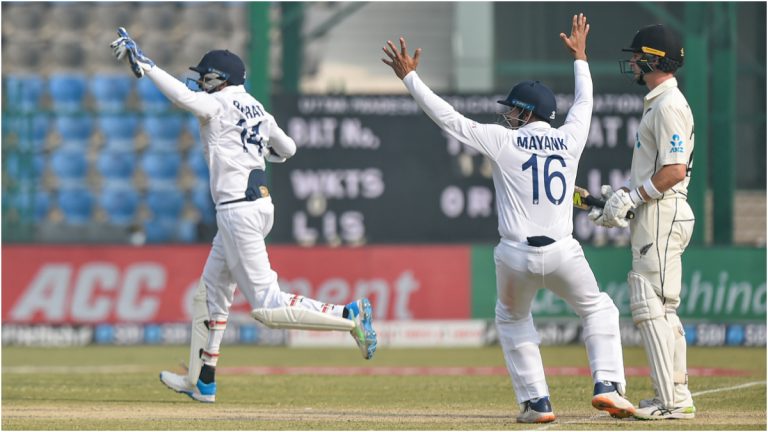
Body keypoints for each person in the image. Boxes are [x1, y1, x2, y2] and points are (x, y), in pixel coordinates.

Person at [382, 14, 635, 424]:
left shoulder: (504, 140)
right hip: (563, 252)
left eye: (513, 111)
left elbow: (450, 118)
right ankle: (607, 385)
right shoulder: (571, 138)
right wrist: (581, 58)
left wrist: (410, 79)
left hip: (516, 253)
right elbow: (585, 101)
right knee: (600, 311)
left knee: (512, 319)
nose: (507, 116)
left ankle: (537, 402)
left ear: (525, 112)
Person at [110, 28, 377, 403]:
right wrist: (262, 154)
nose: (201, 82)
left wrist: (147, 64)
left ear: (220, 80)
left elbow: (183, 97)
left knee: (267, 307)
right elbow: (289, 148)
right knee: (210, 295)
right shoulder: (257, 108)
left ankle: (350, 315)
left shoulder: (217, 105)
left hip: (237, 210)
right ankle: (202, 380)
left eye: (205, 77)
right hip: (256, 206)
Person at [589, 24, 696, 420]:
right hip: (656, 213)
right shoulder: (658, 102)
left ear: (653, 58)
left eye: (637, 56)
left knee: (652, 307)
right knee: (661, 308)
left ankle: (672, 402)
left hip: (664, 213)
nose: (632, 62)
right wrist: (622, 202)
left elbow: (674, 170)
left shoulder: (668, 104)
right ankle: (675, 395)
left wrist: (633, 197)